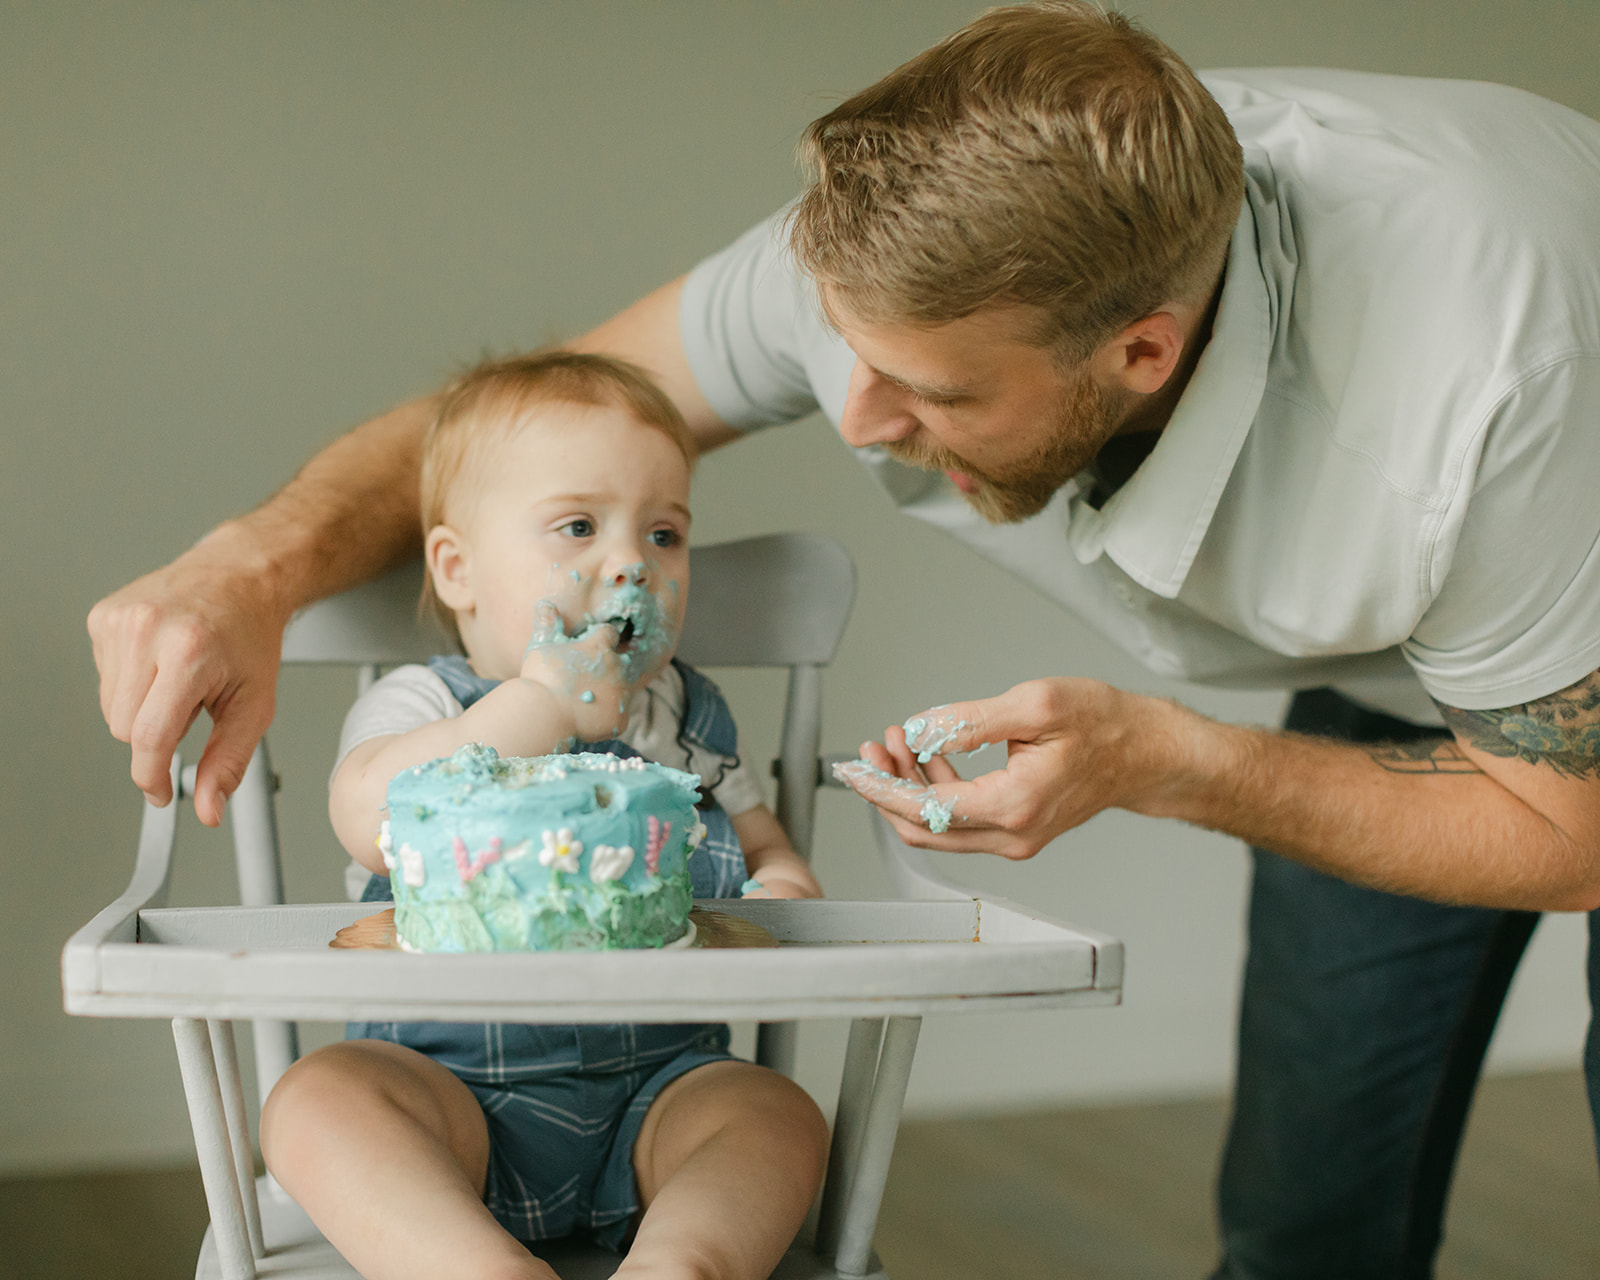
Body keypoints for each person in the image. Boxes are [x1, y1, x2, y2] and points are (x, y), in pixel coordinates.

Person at [89, 3, 1600, 1276]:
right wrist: (249, 565)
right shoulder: (897, 264)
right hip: (1390, 673)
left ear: (1141, 351)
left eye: (927, 393)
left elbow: (1571, 821)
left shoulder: (1495, 381)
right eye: (840, 354)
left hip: (1566, 656)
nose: (857, 422)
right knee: (1306, 1215)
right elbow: (530, 413)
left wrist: (1166, 763)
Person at [258, 350, 827, 1280]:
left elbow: (767, 849)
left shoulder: (688, 717)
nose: (627, 565)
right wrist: (542, 707)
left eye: (664, 535)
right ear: (457, 568)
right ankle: (473, 1267)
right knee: (314, 1101)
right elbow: (370, 818)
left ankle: (679, 1262)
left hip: (661, 1083)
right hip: (443, 1090)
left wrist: (780, 888)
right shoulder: (423, 703)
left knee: (777, 1115)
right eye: (577, 526)